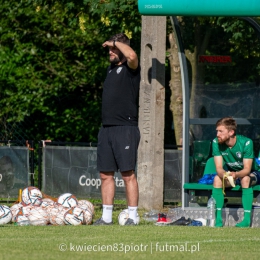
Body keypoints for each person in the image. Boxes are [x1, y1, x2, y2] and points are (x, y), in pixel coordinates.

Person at [93, 33, 141, 225]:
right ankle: (106, 218)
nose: (111, 52)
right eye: (110, 49)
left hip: (125, 128)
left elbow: (132, 56)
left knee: (127, 174)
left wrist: (115, 43)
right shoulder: (110, 70)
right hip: (106, 129)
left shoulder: (131, 69)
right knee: (105, 174)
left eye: (114, 49)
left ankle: (133, 216)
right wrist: (114, 45)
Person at [212, 117, 260, 227]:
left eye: (220, 131)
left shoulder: (247, 142)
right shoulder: (216, 142)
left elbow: (247, 170)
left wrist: (236, 175)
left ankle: (246, 220)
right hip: (232, 174)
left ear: (231, 132)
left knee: (245, 179)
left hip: (253, 173)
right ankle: (218, 220)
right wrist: (224, 175)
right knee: (217, 179)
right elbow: (219, 167)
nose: (217, 134)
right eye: (217, 131)